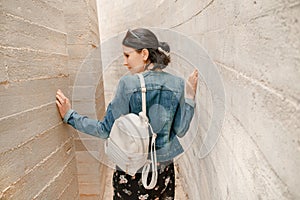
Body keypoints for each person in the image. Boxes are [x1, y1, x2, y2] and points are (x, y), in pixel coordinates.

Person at [56, 28, 198, 200]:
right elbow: (181, 130)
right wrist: (190, 97)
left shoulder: (128, 84)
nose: (124, 62)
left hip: (134, 172)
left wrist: (70, 116)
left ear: (144, 54)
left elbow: (104, 130)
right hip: (164, 173)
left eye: (127, 55)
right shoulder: (177, 84)